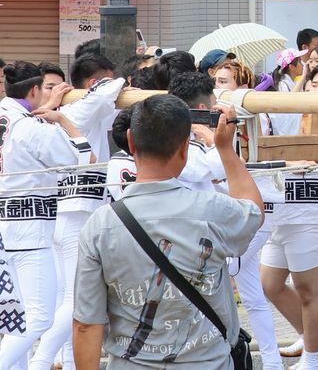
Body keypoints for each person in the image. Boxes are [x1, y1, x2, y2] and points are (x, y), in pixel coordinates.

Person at [71, 94, 264, 370]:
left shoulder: (100, 225)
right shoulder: (212, 210)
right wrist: (224, 148)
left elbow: (86, 325)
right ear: (185, 147)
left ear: (131, 142)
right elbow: (253, 211)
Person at [31, 55, 123, 370]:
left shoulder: (50, 117)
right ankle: (40, 360)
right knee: (74, 299)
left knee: (63, 296)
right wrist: (102, 85)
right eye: (50, 87)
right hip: (76, 210)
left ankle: (67, 361)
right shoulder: (77, 108)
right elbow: (116, 86)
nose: (58, 91)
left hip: (62, 211)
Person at [265, 64, 318, 370]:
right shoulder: (293, 117)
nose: (316, 93)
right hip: (293, 207)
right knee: (270, 282)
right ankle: (317, 333)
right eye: (313, 86)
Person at [207, 60, 286, 370]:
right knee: (253, 296)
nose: (218, 88)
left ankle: (226, 353)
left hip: (257, 210)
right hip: (244, 211)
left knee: (219, 274)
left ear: (242, 86)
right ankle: (272, 361)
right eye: (216, 81)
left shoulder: (250, 114)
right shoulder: (225, 116)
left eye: (224, 81)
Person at [0, 62, 79, 370]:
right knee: (40, 316)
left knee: (13, 319)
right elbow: (73, 159)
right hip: (29, 229)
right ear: (34, 90)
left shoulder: (12, 118)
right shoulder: (30, 127)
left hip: (5, 225)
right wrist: (60, 120)